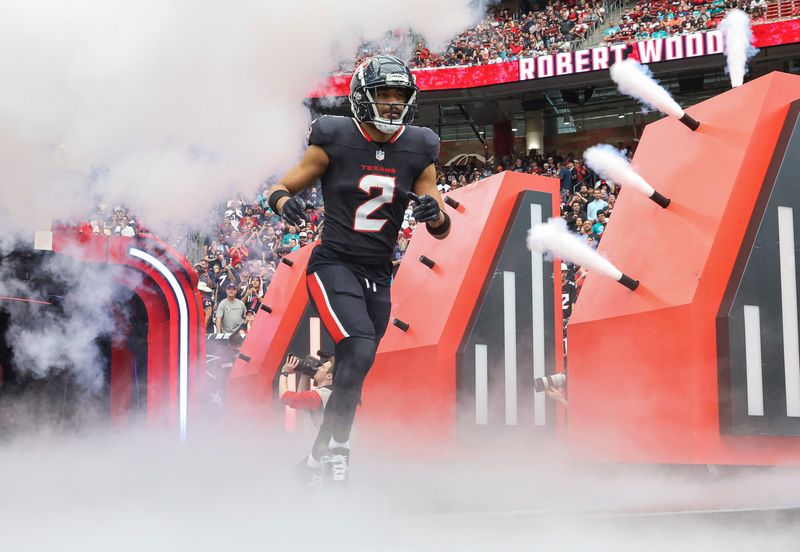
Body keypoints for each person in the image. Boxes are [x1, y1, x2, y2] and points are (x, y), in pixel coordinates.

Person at [267, 54, 449, 484]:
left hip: (379, 272)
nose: (391, 103)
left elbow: (440, 224)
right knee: (360, 346)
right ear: (362, 97)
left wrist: (432, 212)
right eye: (383, 94)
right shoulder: (335, 136)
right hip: (334, 263)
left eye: (398, 95)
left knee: (354, 367)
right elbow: (281, 186)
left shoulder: (419, 147)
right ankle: (340, 452)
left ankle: (313, 462)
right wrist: (281, 202)